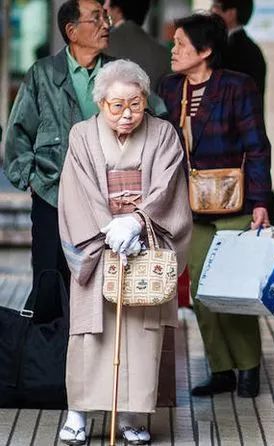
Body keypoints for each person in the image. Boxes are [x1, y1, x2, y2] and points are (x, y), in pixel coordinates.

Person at [57, 59, 192, 445]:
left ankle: (134, 416)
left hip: (143, 244)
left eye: (135, 104)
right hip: (98, 244)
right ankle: (78, 412)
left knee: (142, 333)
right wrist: (108, 229)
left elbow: (168, 187)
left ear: (145, 100)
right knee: (89, 333)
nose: (128, 114)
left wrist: (136, 223)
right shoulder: (81, 135)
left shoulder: (164, 134)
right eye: (117, 106)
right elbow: (76, 190)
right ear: (100, 103)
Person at [159, 13, 272, 398]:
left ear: (205, 51)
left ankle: (249, 367)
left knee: (233, 291)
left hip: (233, 203)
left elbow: (257, 146)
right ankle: (221, 368)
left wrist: (259, 202)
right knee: (203, 294)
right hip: (187, 205)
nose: (173, 51)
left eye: (181, 44)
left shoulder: (238, 87)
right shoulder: (170, 88)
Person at [3, 0, 113, 326]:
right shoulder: (43, 74)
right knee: (50, 280)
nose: (106, 24)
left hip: (105, 199)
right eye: (96, 19)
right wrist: (33, 180)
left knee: (97, 284)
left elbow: (154, 118)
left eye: (105, 17)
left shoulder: (118, 73)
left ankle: (89, 363)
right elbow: (17, 134)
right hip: (52, 195)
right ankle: (46, 363)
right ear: (72, 31)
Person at [210, 0, 274, 226]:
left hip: (235, 143)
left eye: (216, 8)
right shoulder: (243, 48)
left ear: (231, 13)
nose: (212, 12)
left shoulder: (240, 51)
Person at [103, 0, 171, 92]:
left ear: (117, 10)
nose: (105, 7)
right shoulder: (164, 53)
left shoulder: (102, 43)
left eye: (107, 3)